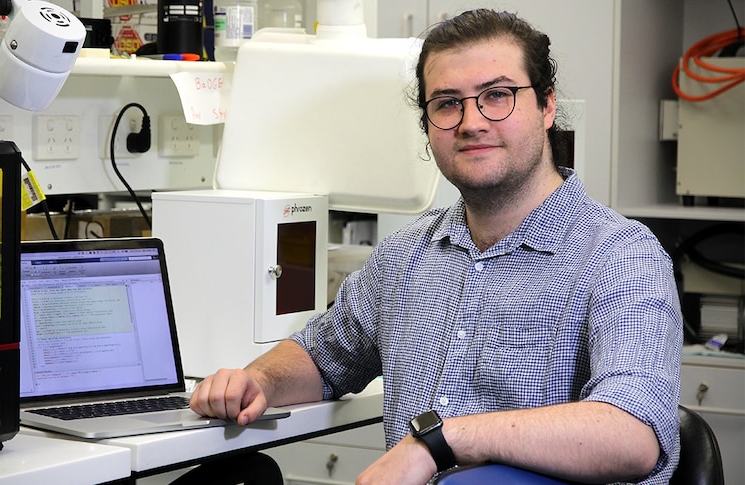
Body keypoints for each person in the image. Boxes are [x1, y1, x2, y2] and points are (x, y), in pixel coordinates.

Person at [190, 8, 683, 485]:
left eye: (497, 95)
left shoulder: (620, 256)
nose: (471, 122)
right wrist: (259, 381)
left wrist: (437, 442)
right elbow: (324, 356)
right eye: (447, 103)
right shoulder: (406, 255)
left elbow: (631, 435)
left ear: (548, 105)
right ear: (427, 125)